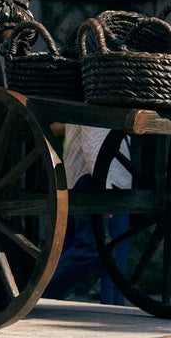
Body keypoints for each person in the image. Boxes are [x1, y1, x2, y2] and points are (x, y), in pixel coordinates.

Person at [43, 124, 131, 305]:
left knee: (116, 248)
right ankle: (41, 293)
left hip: (110, 177)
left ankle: (113, 306)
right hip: (96, 177)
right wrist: (104, 186)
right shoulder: (101, 97)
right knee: (92, 247)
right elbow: (92, 142)